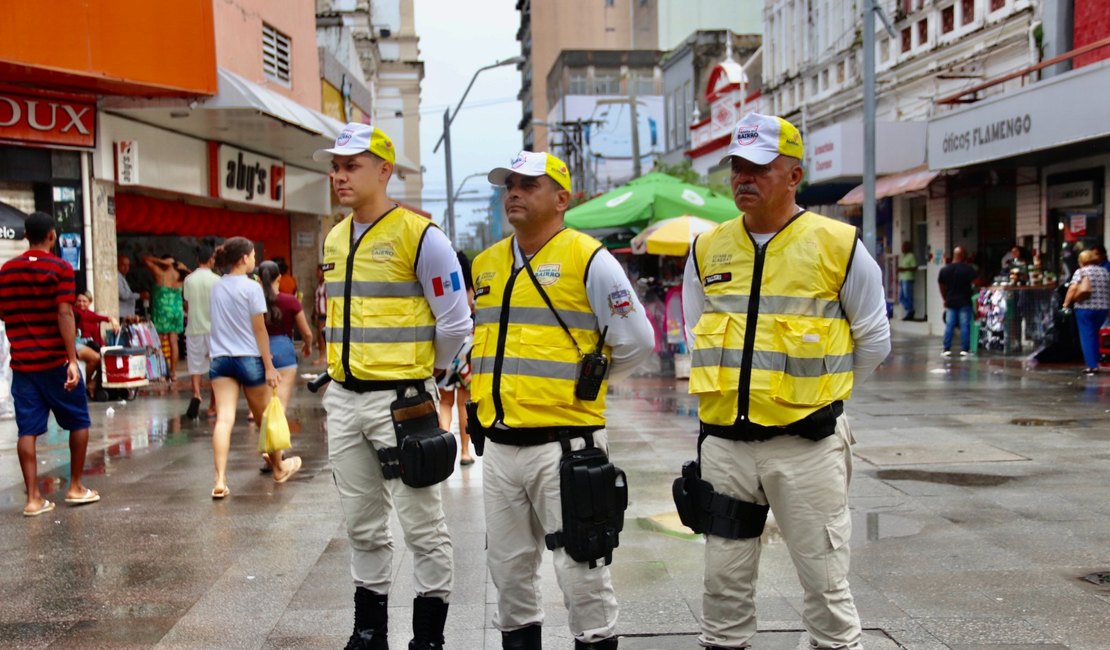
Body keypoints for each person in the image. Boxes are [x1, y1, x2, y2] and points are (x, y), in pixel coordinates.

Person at [680, 113, 890, 650]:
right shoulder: (706, 249)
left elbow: (874, 340)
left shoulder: (838, 245)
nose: (743, 178)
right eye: (737, 168)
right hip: (726, 447)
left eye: (760, 168)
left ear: (794, 175)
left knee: (823, 582)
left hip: (806, 447)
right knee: (722, 585)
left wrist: (822, 397)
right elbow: (695, 330)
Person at [471, 150, 655, 649]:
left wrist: (586, 384)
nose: (514, 192)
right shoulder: (487, 264)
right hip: (499, 446)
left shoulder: (589, 259)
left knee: (582, 569)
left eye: (528, 184)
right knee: (508, 574)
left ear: (561, 198)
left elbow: (637, 341)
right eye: (509, 183)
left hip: (566, 447)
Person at [314, 123, 471, 650]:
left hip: (404, 404)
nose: (339, 175)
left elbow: (454, 322)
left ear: (384, 170)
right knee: (361, 524)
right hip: (344, 398)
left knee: (423, 526)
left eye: (351, 165)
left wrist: (434, 375)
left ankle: (428, 638)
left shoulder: (422, 236)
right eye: (335, 166)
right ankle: (368, 633)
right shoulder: (335, 237)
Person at [0, 212, 100, 516]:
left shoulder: (6, 270)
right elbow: (64, 313)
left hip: (23, 365)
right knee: (78, 421)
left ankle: (33, 498)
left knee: (26, 431)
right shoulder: (61, 268)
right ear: (53, 236)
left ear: (26, 236)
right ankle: (76, 487)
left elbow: (4, 314)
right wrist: (72, 359)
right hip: (56, 361)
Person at [207, 237, 301, 499]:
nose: (255, 261)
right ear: (243, 259)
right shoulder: (252, 288)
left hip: (220, 359)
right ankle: (279, 468)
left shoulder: (216, 287)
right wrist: (269, 366)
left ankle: (220, 480)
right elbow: (259, 329)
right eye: (252, 256)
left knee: (224, 419)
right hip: (248, 359)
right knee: (264, 420)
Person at [256, 260, 313, 411]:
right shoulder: (290, 301)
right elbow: (306, 332)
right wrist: (307, 347)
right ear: (279, 278)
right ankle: (277, 434)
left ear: (258, 279)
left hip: (257, 352)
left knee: (261, 407)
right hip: (284, 352)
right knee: (279, 406)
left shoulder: (254, 302)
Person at [438, 249, 476, 466]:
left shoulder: (445, 282)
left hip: (445, 345)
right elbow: (471, 308)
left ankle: (444, 452)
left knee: (444, 402)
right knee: (463, 403)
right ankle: (464, 452)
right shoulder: (468, 285)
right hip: (465, 346)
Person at [183, 246, 220, 419]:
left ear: (198, 260)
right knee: (215, 368)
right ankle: (213, 406)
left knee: (195, 367)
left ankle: (197, 394)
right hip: (214, 329)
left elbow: (187, 305)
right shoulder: (217, 280)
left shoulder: (189, 280)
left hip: (194, 328)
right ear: (211, 260)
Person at [1062, 249, 1110, 375]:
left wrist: (1066, 304)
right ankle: (1096, 361)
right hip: (1102, 309)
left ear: (1082, 261)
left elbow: (1073, 288)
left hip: (1085, 308)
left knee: (1087, 336)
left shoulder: (1081, 271)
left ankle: (1092, 366)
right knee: (1094, 334)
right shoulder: (1104, 272)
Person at [142, 254, 185, 381]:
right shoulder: (180, 274)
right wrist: (181, 266)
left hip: (161, 310)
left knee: (158, 342)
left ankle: (159, 373)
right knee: (173, 342)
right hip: (176, 311)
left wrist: (159, 260)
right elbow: (193, 275)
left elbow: (145, 258)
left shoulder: (159, 272)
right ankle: (173, 373)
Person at [73, 291, 119, 399]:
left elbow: (96, 335)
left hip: (90, 344)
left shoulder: (91, 316)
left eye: (84, 301)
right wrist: (110, 319)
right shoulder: (75, 312)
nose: (81, 304)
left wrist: (104, 347)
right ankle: (87, 382)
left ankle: (93, 384)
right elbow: (89, 317)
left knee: (105, 359)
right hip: (78, 343)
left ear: (90, 302)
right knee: (96, 358)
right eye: (79, 301)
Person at [938, 246, 979, 357]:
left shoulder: (945, 270)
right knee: (965, 325)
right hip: (964, 301)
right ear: (963, 256)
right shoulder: (968, 269)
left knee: (949, 325)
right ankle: (965, 349)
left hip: (950, 301)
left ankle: (946, 348)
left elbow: (941, 285)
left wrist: (945, 298)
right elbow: (977, 281)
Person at [897, 241, 917, 320]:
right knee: (901, 297)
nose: (902, 248)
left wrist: (904, 269)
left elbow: (914, 267)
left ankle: (910, 312)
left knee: (908, 296)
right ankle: (909, 309)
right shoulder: (904, 256)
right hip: (902, 279)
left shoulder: (911, 256)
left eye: (903, 247)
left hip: (908, 279)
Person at [313, 264, 327, 364]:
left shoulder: (326, 284)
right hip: (320, 314)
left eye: (318, 271)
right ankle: (322, 356)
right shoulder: (320, 284)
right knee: (320, 336)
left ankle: (323, 357)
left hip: (325, 314)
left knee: (322, 336)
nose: (317, 273)